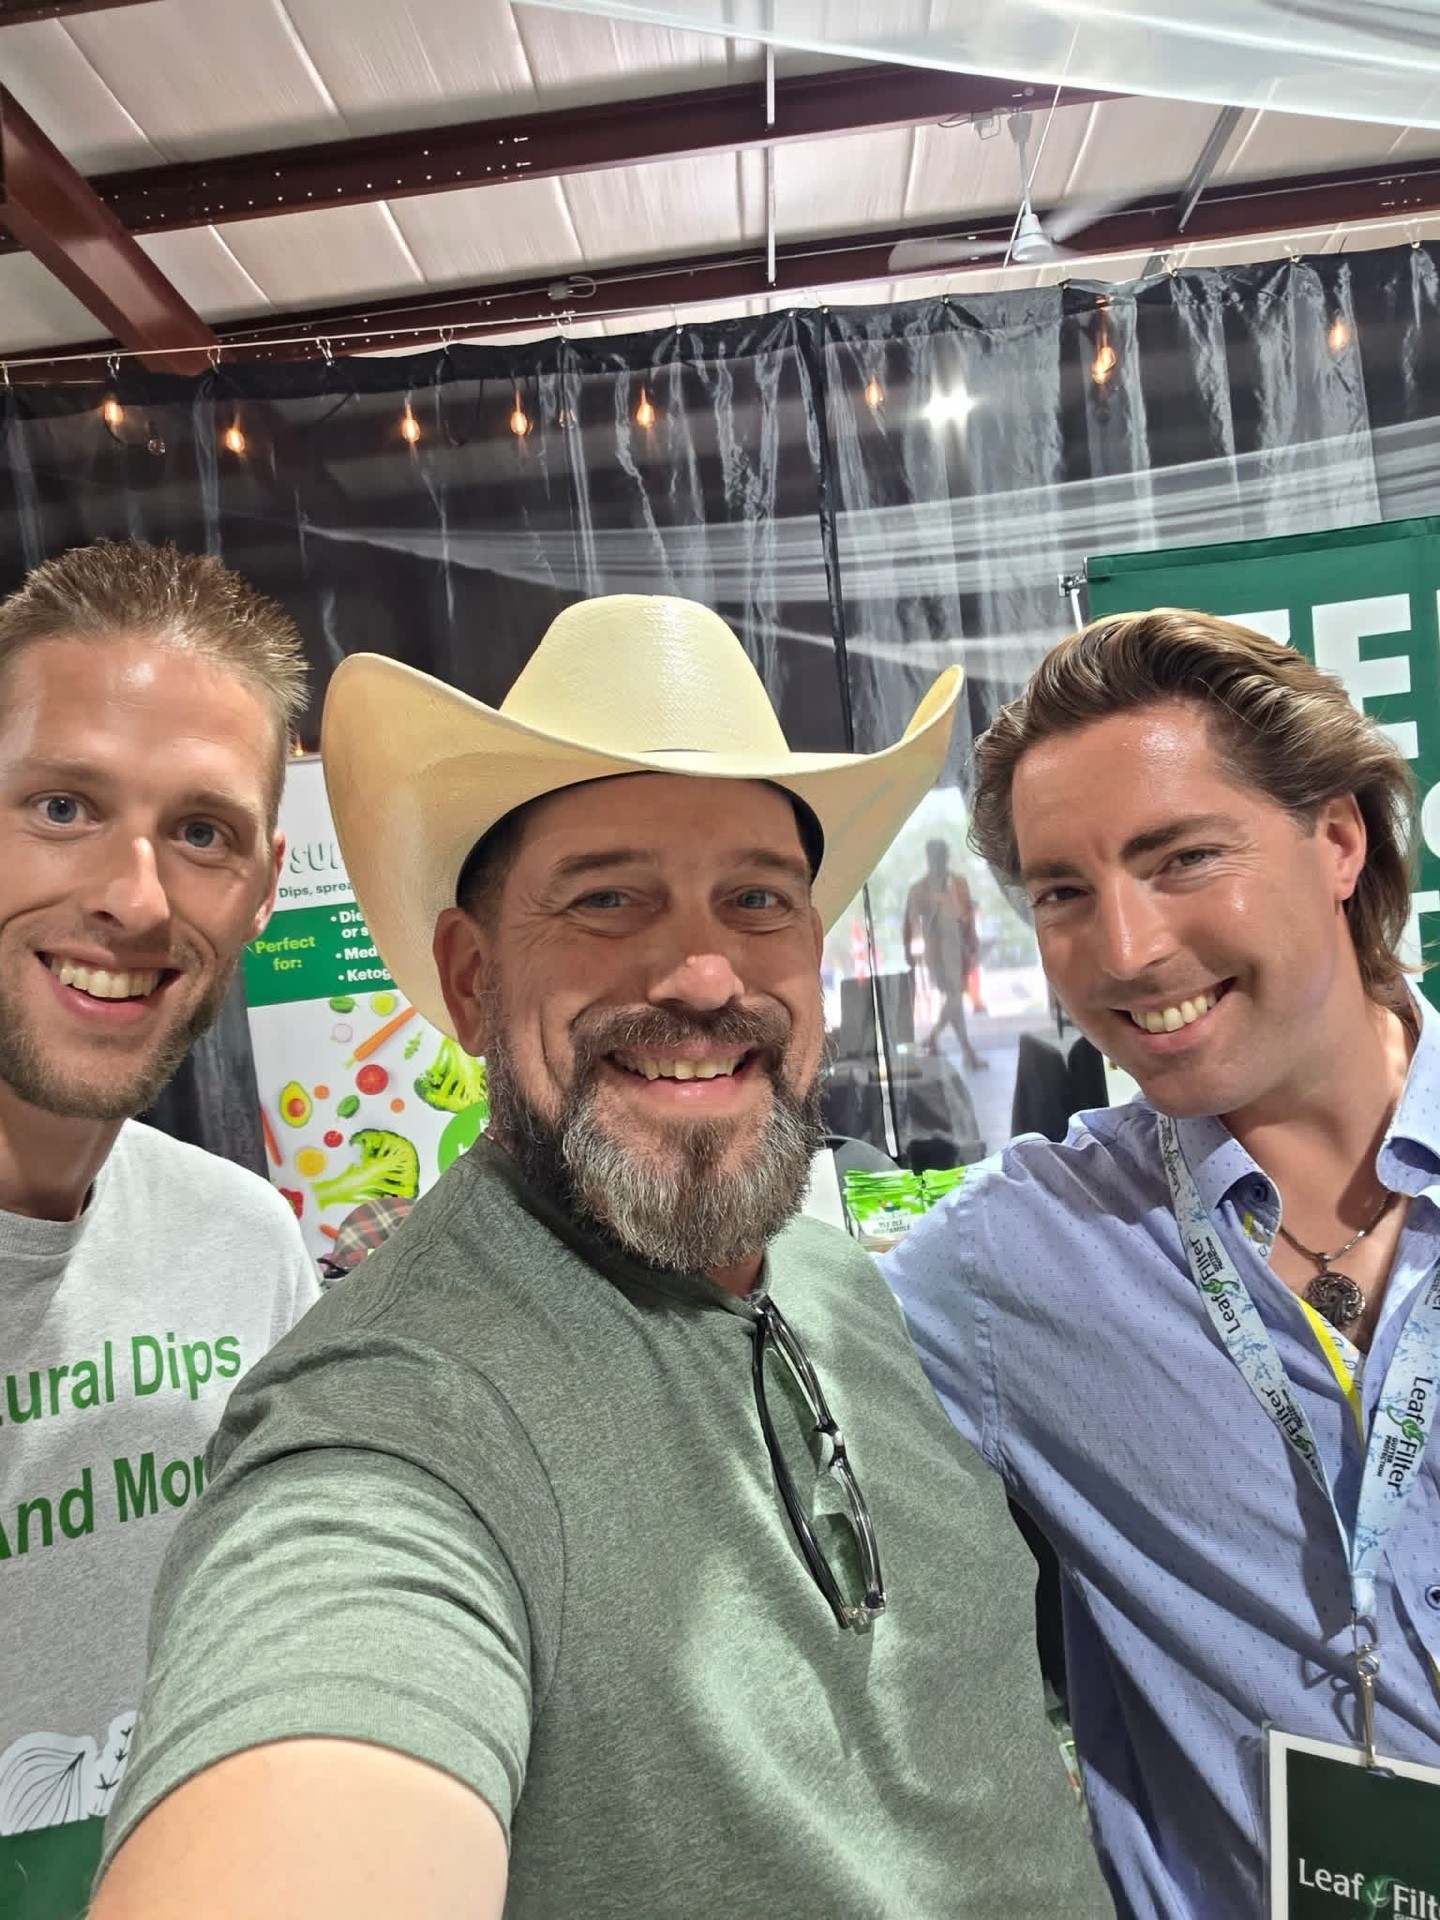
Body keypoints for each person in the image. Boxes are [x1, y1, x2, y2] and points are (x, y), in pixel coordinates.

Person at [91, 596, 1111, 1920]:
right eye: (608, 897)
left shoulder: (839, 1284)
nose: (702, 974)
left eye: (756, 897)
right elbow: (333, 1667)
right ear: (471, 980)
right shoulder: (400, 1422)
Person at [884, 608, 1440, 1919]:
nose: (1125, 951)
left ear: (1340, 840)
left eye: (1183, 857)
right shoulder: (1015, 1264)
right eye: (1063, 893)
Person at [0, 540, 321, 1919]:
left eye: (201, 833)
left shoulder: (244, 1247)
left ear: (262, 885)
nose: (134, 898)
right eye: (62, 805)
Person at [903, 838, 987, 1068]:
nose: (938, 860)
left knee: (955, 998)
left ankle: (953, 1046)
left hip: (958, 947)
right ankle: (948, 1044)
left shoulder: (958, 883)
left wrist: (971, 939)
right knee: (955, 997)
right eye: (934, 856)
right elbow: (911, 921)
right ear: (928, 858)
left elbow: (967, 914)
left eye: (941, 855)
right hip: (936, 951)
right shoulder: (919, 889)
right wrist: (910, 950)